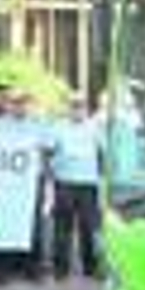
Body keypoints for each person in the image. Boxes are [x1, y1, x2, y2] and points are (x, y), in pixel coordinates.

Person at [50, 93, 102, 279]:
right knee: (62, 228)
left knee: (88, 227)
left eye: (80, 106)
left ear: (86, 109)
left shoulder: (95, 127)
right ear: (68, 108)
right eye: (74, 106)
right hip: (64, 182)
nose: (77, 110)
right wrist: (53, 170)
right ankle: (60, 268)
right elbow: (48, 149)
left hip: (88, 183)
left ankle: (90, 267)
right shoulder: (58, 127)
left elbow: (103, 151)